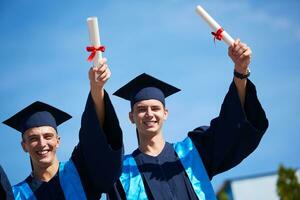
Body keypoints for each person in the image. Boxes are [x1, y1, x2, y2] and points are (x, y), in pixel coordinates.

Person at [107, 39, 269, 199]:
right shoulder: (123, 175)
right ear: (131, 117)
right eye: (141, 109)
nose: (149, 114)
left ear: (165, 113)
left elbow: (231, 125)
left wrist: (240, 72)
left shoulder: (193, 152)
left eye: (155, 108)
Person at [2, 58, 123, 200]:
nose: (42, 144)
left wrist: (96, 88)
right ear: (24, 146)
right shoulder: (16, 195)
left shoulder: (80, 171)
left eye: (48, 136)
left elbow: (95, 134)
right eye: (33, 138)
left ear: (58, 141)